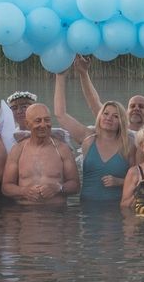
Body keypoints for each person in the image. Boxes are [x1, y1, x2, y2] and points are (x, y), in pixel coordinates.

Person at [53, 72, 133, 203]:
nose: (109, 118)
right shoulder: (88, 138)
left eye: (115, 116)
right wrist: (60, 76)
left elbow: (140, 181)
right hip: (87, 211)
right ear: (100, 116)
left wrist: (120, 182)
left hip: (118, 211)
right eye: (106, 113)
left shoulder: (129, 144)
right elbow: (60, 114)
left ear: (122, 122)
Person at [1, 104, 80, 206]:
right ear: (27, 124)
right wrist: (24, 191)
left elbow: (75, 185)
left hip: (57, 214)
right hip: (25, 213)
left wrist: (58, 188)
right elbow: (6, 187)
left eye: (47, 120)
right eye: (38, 121)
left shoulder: (62, 149)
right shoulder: (18, 149)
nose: (43, 125)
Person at [72, 56, 144, 132]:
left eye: (141, 106)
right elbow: (94, 103)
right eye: (132, 106)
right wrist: (84, 73)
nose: (136, 108)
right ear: (126, 112)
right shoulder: (116, 128)